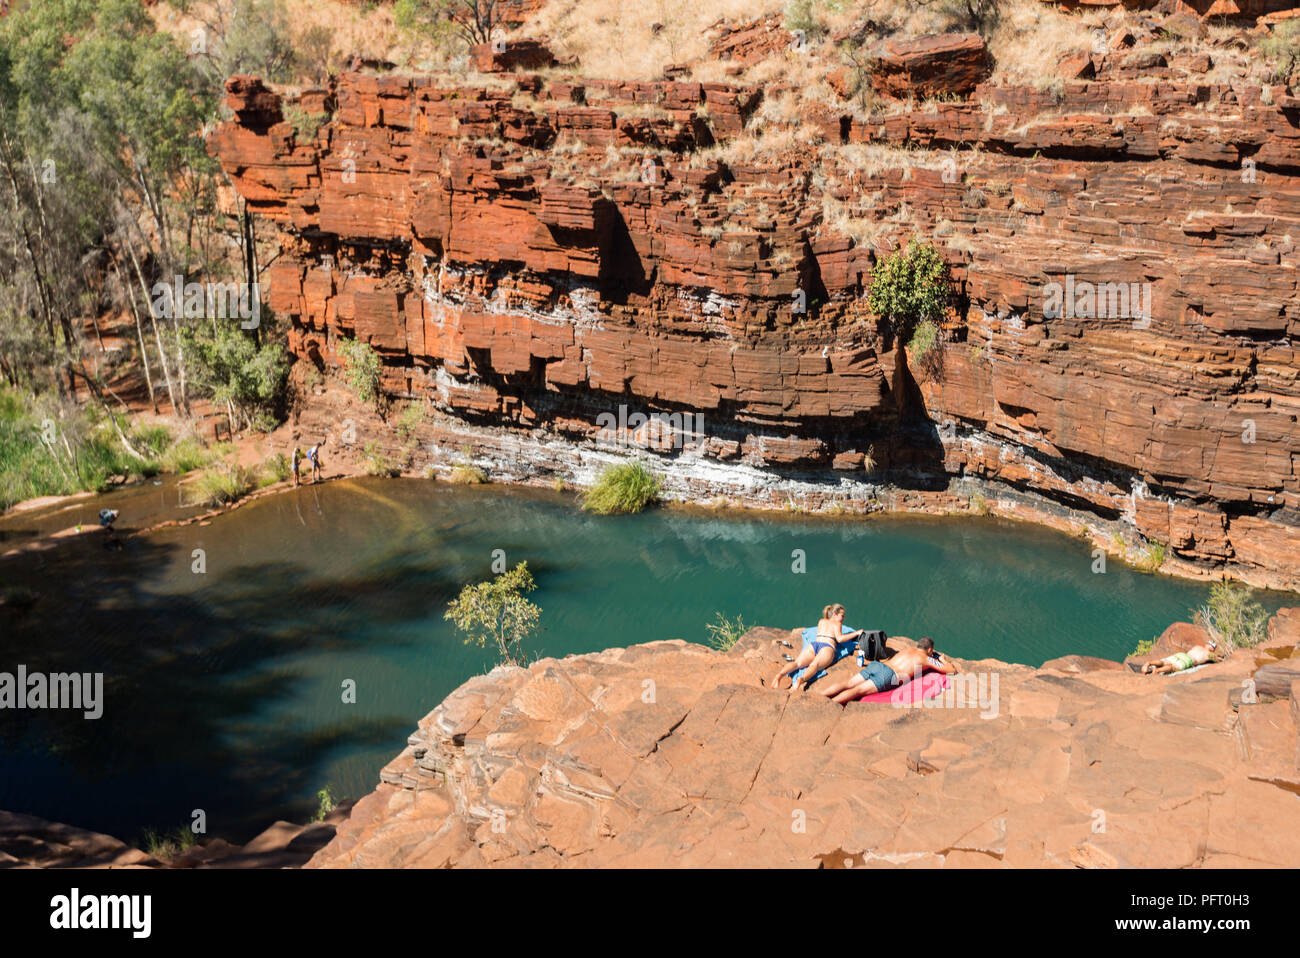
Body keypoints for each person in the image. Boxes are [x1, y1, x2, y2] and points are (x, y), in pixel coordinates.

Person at [819, 636, 958, 705]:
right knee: (857, 691)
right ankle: (830, 705)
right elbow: (951, 670)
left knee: (848, 683)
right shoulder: (926, 658)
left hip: (877, 666)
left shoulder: (907, 649)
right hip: (888, 675)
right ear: (929, 650)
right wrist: (943, 659)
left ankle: (820, 696)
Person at [766, 604, 864, 692]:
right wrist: (856, 633)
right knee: (814, 666)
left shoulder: (821, 621)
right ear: (834, 614)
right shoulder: (837, 624)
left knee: (797, 663)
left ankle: (779, 675)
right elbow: (840, 639)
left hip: (815, 645)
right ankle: (801, 679)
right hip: (827, 647)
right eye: (842, 615)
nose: (843, 618)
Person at [1142, 641, 1220, 675]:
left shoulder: (1198, 646)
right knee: (1172, 667)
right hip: (1189, 660)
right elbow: (1218, 660)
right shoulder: (1209, 654)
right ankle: (1158, 670)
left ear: (1207, 645)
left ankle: (1149, 663)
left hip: (1182, 654)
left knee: (1165, 661)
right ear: (1213, 649)